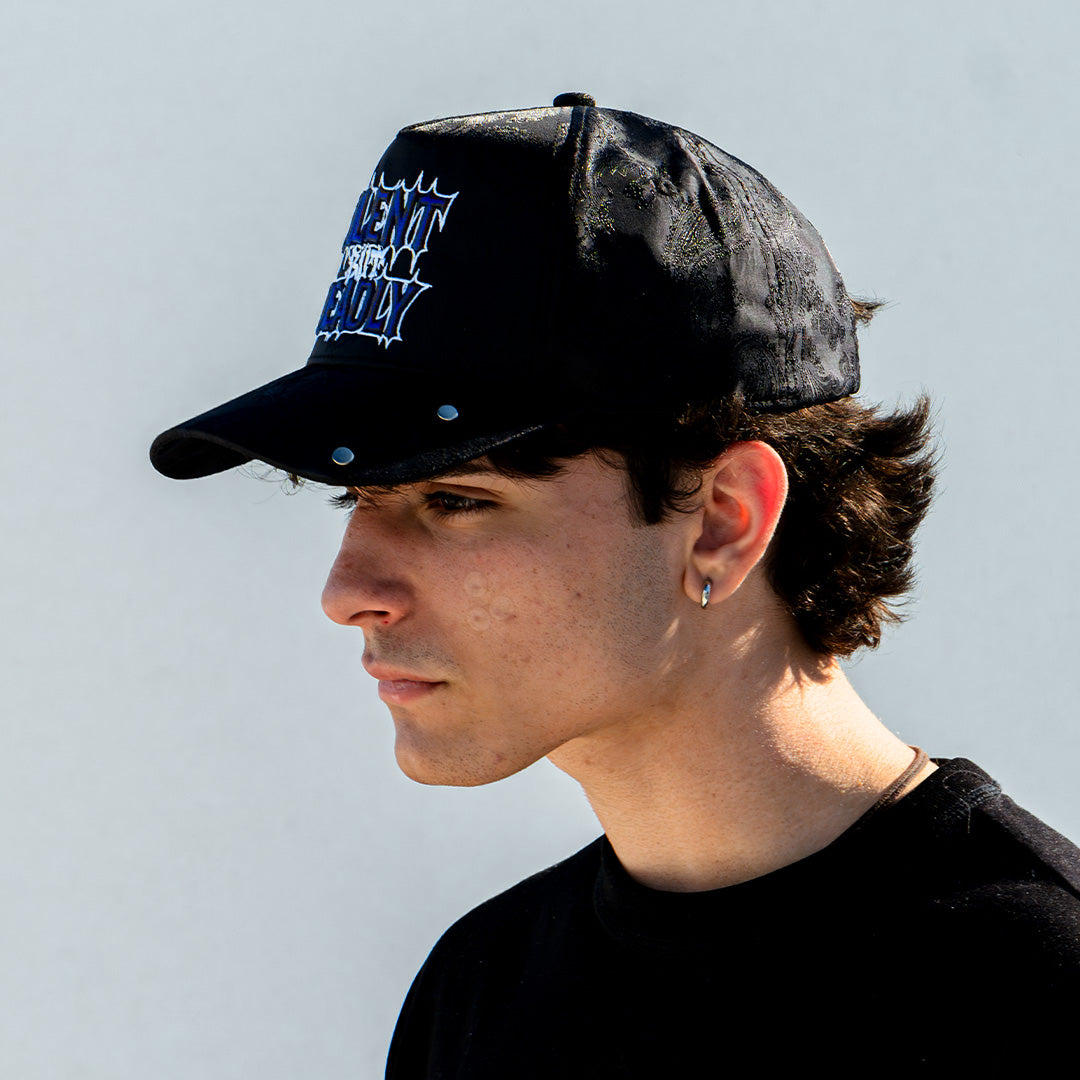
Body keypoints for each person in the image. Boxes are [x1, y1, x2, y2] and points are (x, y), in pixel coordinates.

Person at [151, 93, 1080, 1077]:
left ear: (724, 520)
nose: (347, 592)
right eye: (355, 499)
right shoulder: (481, 991)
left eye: (455, 499)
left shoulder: (1036, 988)